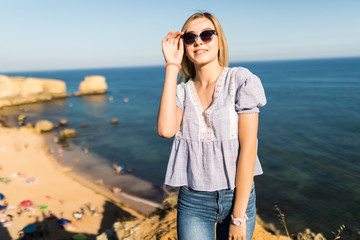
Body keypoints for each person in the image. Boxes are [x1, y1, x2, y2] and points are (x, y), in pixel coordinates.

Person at [157, 12, 267, 240]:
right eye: (190, 37)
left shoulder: (240, 81)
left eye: (206, 34)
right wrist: (172, 66)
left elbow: (248, 150)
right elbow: (166, 130)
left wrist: (238, 216)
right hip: (193, 202)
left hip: (238, 197)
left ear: (219, 40)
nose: (198, 41)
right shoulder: (181, 92)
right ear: (184, 45)